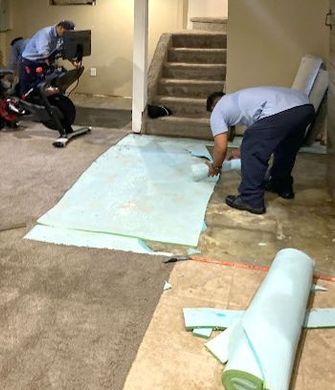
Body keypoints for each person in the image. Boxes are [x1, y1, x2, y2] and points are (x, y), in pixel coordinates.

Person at [206, 87, 315, 215]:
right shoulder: (241, 99)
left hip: (282, 112)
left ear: (213, 106)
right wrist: (241, 151)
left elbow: (220, 146)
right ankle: (280, 184)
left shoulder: (218, 109)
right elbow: (260, 132)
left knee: (252, 148)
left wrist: (215, 166)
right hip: (304, 108)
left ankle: (251, 198)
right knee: (286, 148)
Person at [19, 20, 77, 94]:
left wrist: (73, 62)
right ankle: (23, 103)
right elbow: (44, 53)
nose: (66, 35)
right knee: (27, 88)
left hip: (41, 62)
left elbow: (64, 50)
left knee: (41, 85)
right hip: (30, 62)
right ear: (60, 27)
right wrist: (51, 65)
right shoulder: (46, 34)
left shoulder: (61, 36)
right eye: (66, 32)